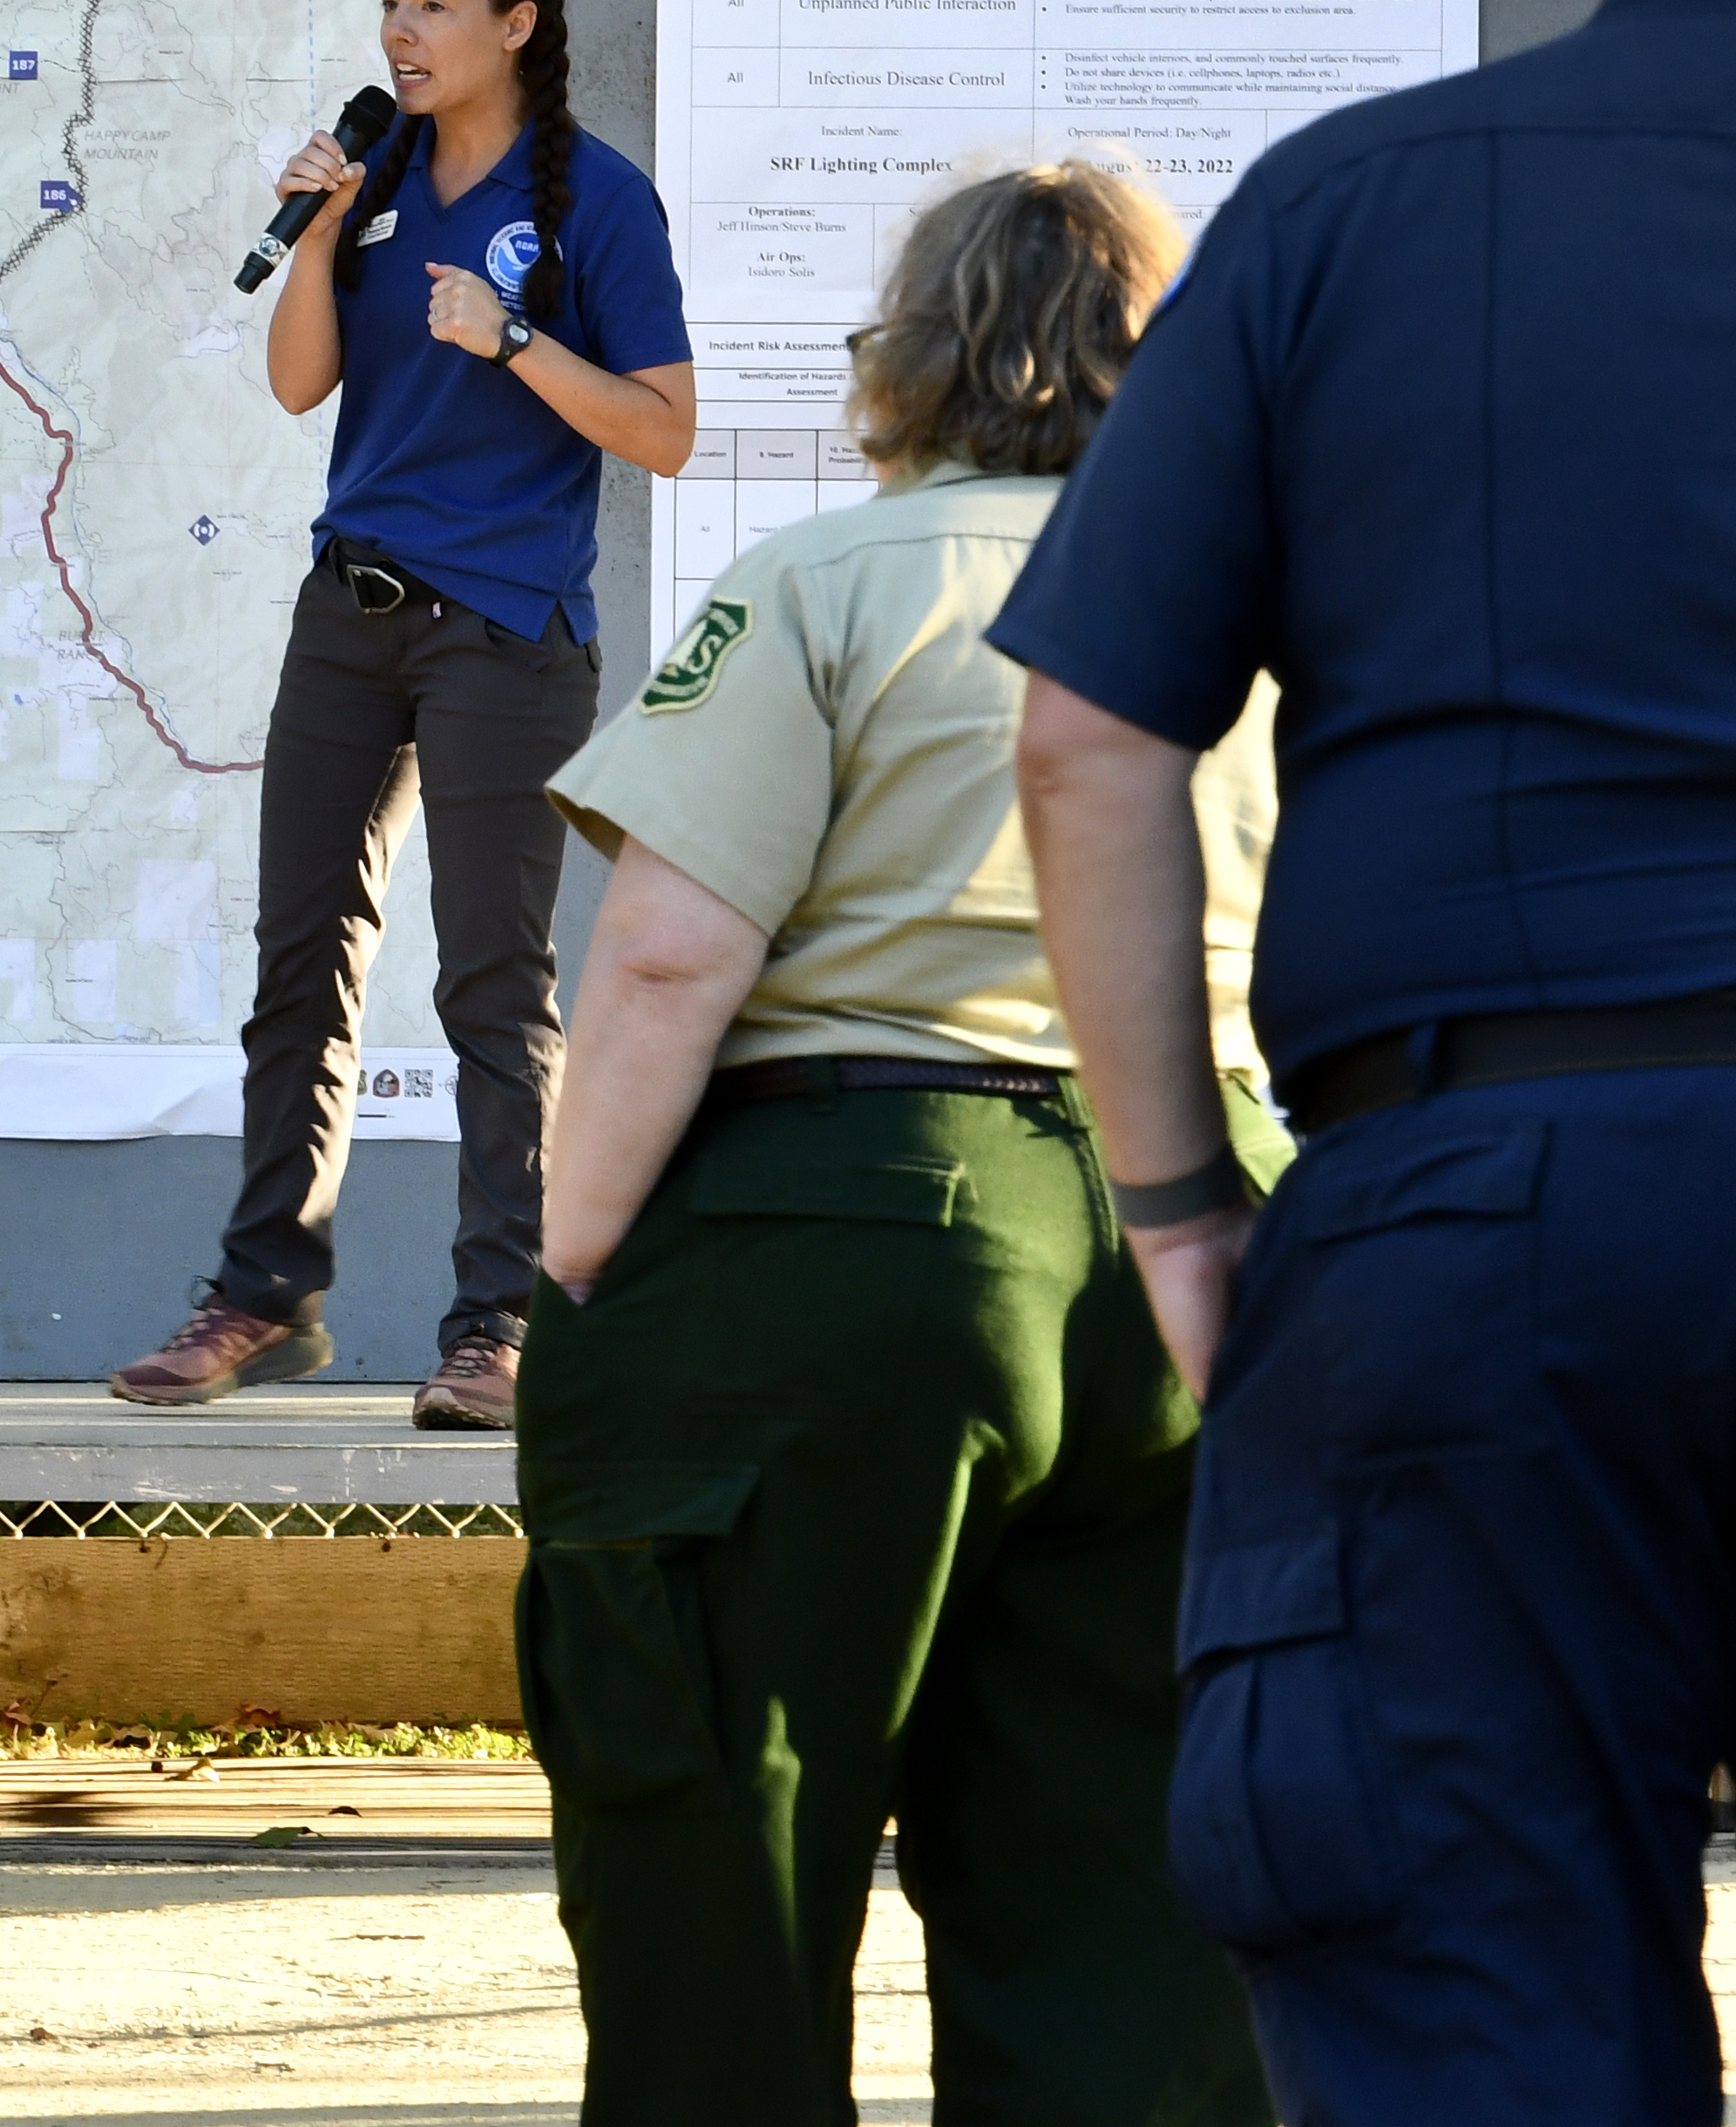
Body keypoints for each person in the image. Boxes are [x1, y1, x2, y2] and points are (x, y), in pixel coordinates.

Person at [998, 0, 1736, 2122]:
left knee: (1477, 2020)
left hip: (1471, 1220)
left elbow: (1090, 745)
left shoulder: (1346, 212)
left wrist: (1185, 1208)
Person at [517, 163, 1278, 2123]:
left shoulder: (824, 584)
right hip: (1191, 1253)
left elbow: (671, 960)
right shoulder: (1257, 607)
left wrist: (579, 1261)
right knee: (1126, 1874)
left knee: (726, 1843)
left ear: (911, 354)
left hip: (844, 1229)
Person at [112, 0, 695, 1426]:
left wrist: (511, 339)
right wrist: (314, 234)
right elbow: (302, 386)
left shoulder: (598, 202)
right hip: (348, 619)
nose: (399, 30)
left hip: (505, 630)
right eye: (389, 1)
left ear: (515, 25)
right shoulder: (368, 180)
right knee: (298, 962)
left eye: (433, 3)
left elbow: (665, 430)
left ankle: (496, 1324)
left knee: (495, 986)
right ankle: (262, 1294)